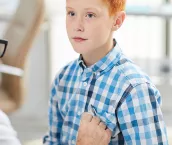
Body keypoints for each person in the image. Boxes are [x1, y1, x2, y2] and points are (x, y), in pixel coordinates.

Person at [43, 0, 169, 144]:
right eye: (71, 13)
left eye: (90, 15)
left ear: (117, 21)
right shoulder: (63, 79)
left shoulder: (134, 89)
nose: (77, 26)